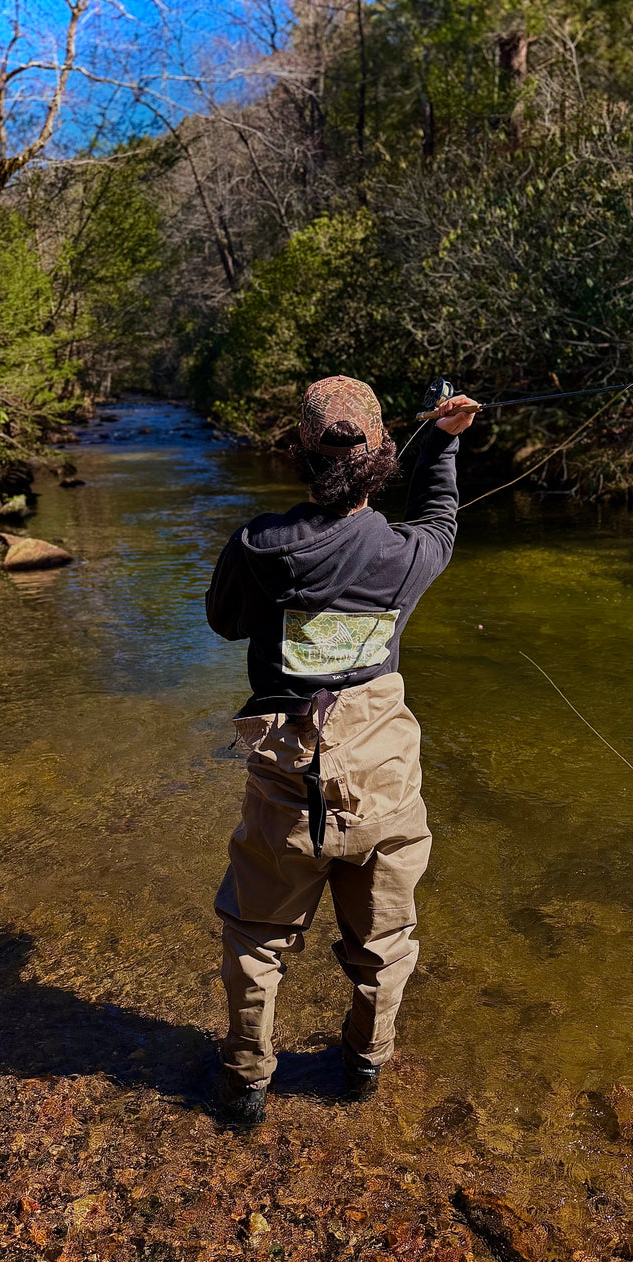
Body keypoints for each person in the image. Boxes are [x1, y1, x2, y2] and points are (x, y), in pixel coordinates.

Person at [205, 374, 476, 1125]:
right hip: (384, 780)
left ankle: (246, 1085)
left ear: (300, 454)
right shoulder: (406, 555)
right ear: (382, 455)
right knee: (384, 942)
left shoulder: (258, 545)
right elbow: (441, 519)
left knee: (257, 937)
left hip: (287, 779)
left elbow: (224, 622)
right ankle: (363, 1069)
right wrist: (443, 444)